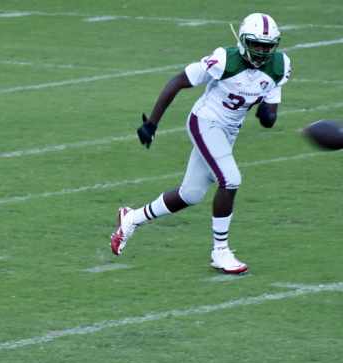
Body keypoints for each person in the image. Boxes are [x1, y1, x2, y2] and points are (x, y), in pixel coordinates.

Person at [110, 13, 291, 274]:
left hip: (229, 131)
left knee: (190, 194)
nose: (262, 52)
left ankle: (131, 218)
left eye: (267, 46)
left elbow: (269, 118)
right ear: (242, 41)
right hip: (205, 122)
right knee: (231, 180)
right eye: (256, 45)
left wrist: (267, 112)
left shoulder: (279, 65)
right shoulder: (224, 59)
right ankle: (220, 251)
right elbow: (178, 81)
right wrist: (152, 123)